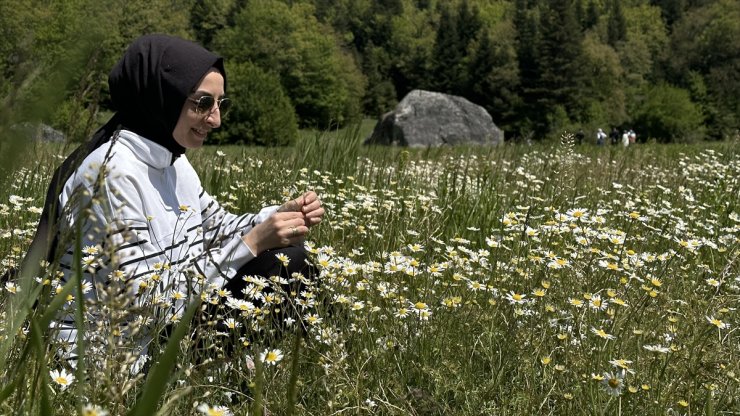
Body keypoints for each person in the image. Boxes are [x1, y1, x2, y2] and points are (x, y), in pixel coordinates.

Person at [22, 34, 325, 367]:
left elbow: (216, 227)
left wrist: (276, 219)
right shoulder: (112, 174)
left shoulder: (171, 159)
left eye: (220, 104)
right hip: (110, 352)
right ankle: (215, 380)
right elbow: (149, 302)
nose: (215, 119)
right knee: (279, 263)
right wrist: (252, 242)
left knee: (289, 261)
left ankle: (230, 375)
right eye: (202, 103)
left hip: (160, 324)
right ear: (161, 97)